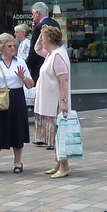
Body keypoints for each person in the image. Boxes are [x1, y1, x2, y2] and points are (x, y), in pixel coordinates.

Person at [0, 32, 34, 174]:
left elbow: (30, 85)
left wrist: (23, 77)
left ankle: (18, 162)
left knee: (17, 130)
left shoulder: (20, 62)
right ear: (1, 48)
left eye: (14, 46)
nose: (13, 48)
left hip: (17, 99)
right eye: (9, 46)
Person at [34, 26, 72, 178]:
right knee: (55, 135)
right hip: (48, 102)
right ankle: (59, 163)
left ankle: (64, 166)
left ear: (49, 40)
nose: (42, 40)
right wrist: (41, 34)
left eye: (43, 37)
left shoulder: (57, 56)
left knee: (58, 135)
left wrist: (63, 102)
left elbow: (63, 80)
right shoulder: (52, 54)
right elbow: (37, 49)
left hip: (54, 104)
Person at [25, 2, 54, 82]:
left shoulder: (38, 27)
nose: (32, 16)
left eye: (33, 13)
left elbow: (34, 49)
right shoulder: (55, 24)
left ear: (37, 13)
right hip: (53, 63)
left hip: (40, 65)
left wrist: (27, 65)